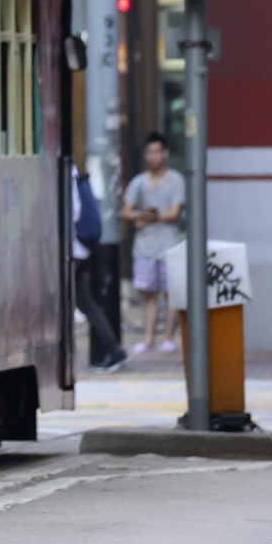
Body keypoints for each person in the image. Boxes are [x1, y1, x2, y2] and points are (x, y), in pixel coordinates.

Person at [121, 133, 185, 354]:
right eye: (150, 152)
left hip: (168, 243)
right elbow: (126, 211)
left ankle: (168, 337)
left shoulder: (175, 180)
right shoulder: (138, 182)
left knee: (170, 294)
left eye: (157, 152)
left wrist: (148, 218)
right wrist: (143, 215)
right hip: (145, 246)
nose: (154, 157)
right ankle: (148, 339)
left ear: (165, 153)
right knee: (149, 294)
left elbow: (175, 212)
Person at [73, 165, 128, 371]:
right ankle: (115, 350)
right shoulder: (75, 174)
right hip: (81, 250)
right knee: (87, 304)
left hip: (71, 251)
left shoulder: (66, 174)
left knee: (58, 304)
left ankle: (114, 350)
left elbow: (73, 212)